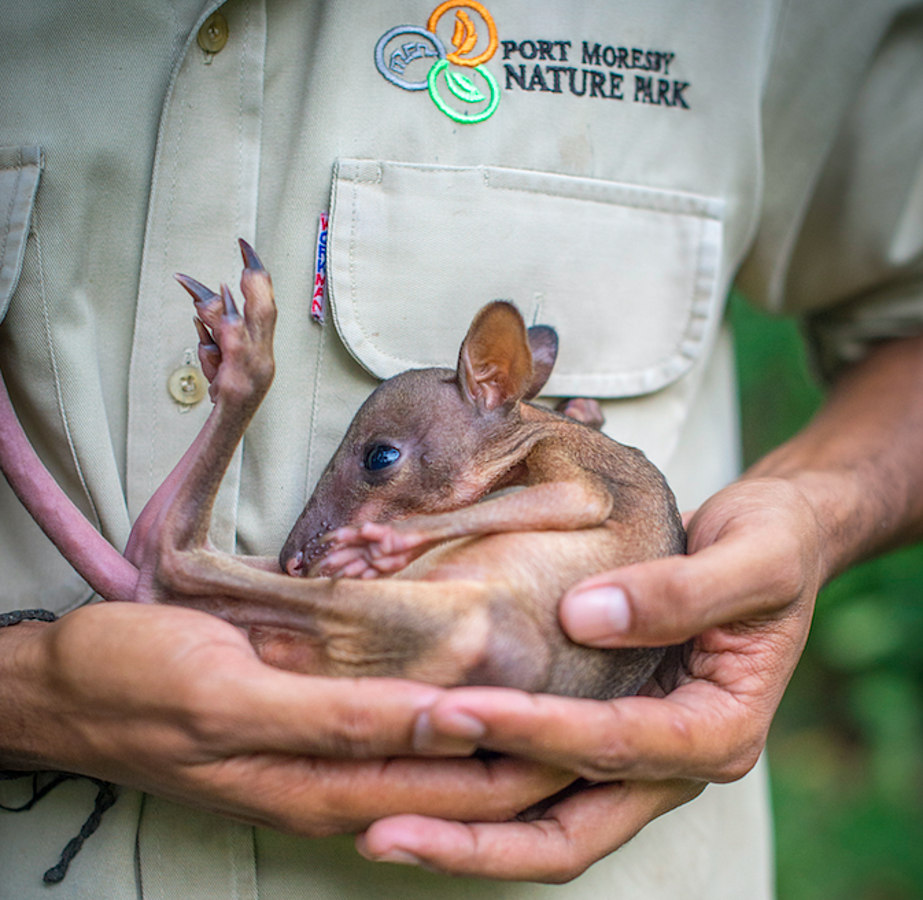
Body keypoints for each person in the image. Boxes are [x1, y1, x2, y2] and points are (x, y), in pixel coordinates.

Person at [1, 0, 922, 897]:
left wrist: (815, 513)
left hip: (571, 824)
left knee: (197, 583)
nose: (359, 506)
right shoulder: (516, 435)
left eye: (382, 468)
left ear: (502, 378)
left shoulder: (541, 446)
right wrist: (27, 697)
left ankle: (190, 575)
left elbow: (572, 506)